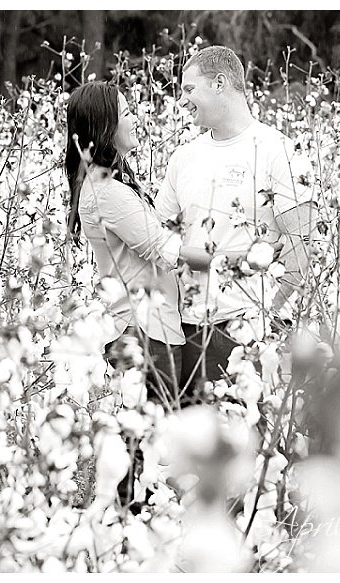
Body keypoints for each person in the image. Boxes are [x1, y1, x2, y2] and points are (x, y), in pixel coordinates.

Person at [155, 46, 318, 397]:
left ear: (219, 83)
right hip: (187, 332)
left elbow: (301, 246)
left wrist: (265, 323)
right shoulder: (183, 157)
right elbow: (157, 241)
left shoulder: (279, 150)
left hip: (250, 330)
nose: (182, 101)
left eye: (188, 89)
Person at [65, 81, 238, 408]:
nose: (136, 119)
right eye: (127, 113)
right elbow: (165, 250)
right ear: (106, 126)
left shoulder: (106, 186)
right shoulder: (108, 193)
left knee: (148, 442)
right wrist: (239, 261)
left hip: (146, 331)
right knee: (149, 446)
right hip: (145, 335)